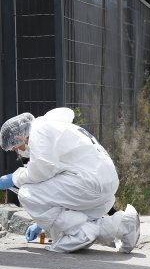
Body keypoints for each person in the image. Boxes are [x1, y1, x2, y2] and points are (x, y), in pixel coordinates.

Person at [0, 108, 140, 253]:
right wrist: (41, 224)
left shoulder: (39, 131)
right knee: (79, 224)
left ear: (18, 138)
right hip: (101, 182)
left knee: (26, 192)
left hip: (89, 182)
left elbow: (40, 171)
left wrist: (13, 178)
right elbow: (56, 188)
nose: (18, 152)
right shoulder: (53, 128)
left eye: (15, 148)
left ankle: (81, 234)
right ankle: (124, 224)